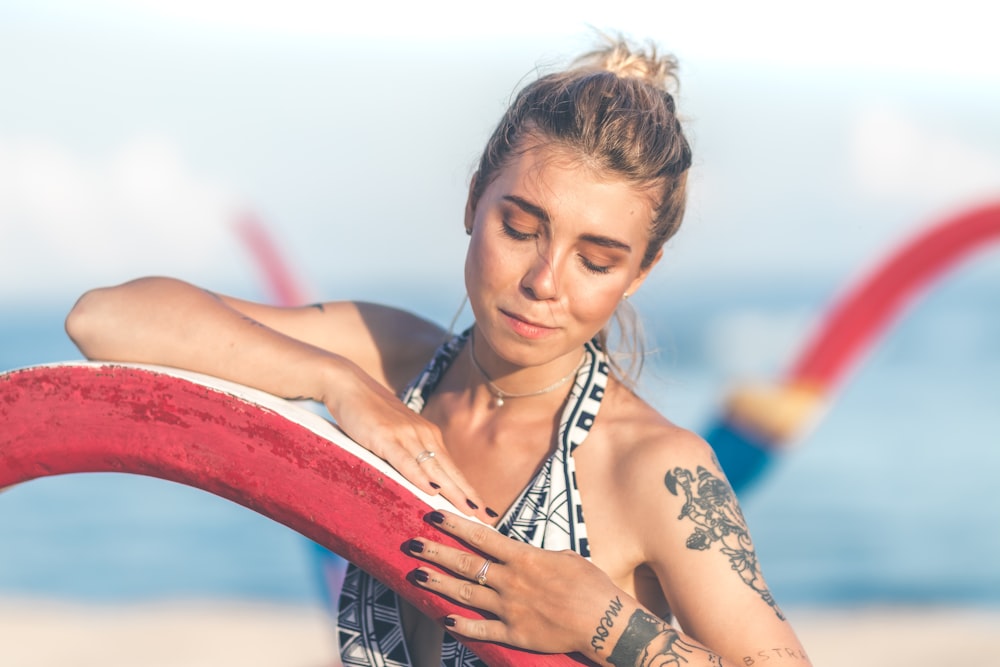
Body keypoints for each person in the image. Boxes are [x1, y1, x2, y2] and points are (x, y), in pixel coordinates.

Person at [66, 35, 811, 667]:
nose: (544, 281)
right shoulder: (392, 362)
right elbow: (106, 319)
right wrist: (337, 383)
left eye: (597, 258)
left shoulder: (653, 466)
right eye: (520, 228)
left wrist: (612, 625)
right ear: (472, 200)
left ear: (639, 272)